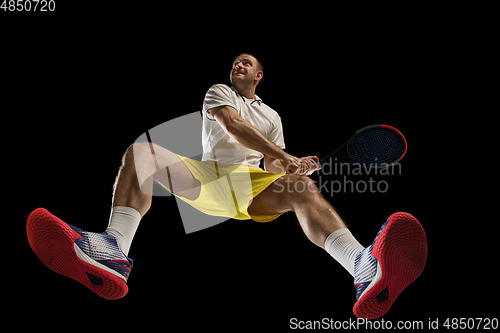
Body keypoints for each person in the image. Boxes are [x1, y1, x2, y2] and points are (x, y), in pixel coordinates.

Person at [26, 53, 427, 319]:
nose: (239, 64)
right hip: (210, 179)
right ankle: (113, 250)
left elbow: (270, 160)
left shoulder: (271, 115)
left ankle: (362, 266)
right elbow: (232, 127)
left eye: (247, 62)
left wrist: (291, 164)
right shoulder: (220, 93)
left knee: (301, 187)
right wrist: (283, 158)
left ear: (259, 75)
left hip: (252, 187)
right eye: (236, 61)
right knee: (141, 153)